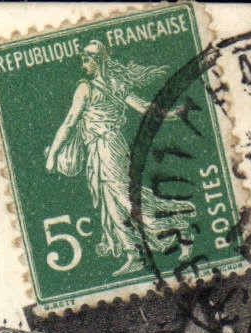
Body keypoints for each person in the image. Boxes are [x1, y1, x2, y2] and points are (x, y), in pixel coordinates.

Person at [45, 41, 196, 276]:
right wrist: (170, 114)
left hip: (107, 148)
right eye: (83, 59)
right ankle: (134, 254)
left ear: (99, 61)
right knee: (113, 206)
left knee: (128, 202)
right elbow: (144, 107)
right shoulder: (113, 84)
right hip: (100, 151)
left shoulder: (87, 88)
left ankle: (179, 225)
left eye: (87, 59)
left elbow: (69, 122)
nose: (83, 64)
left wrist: (53, 154)